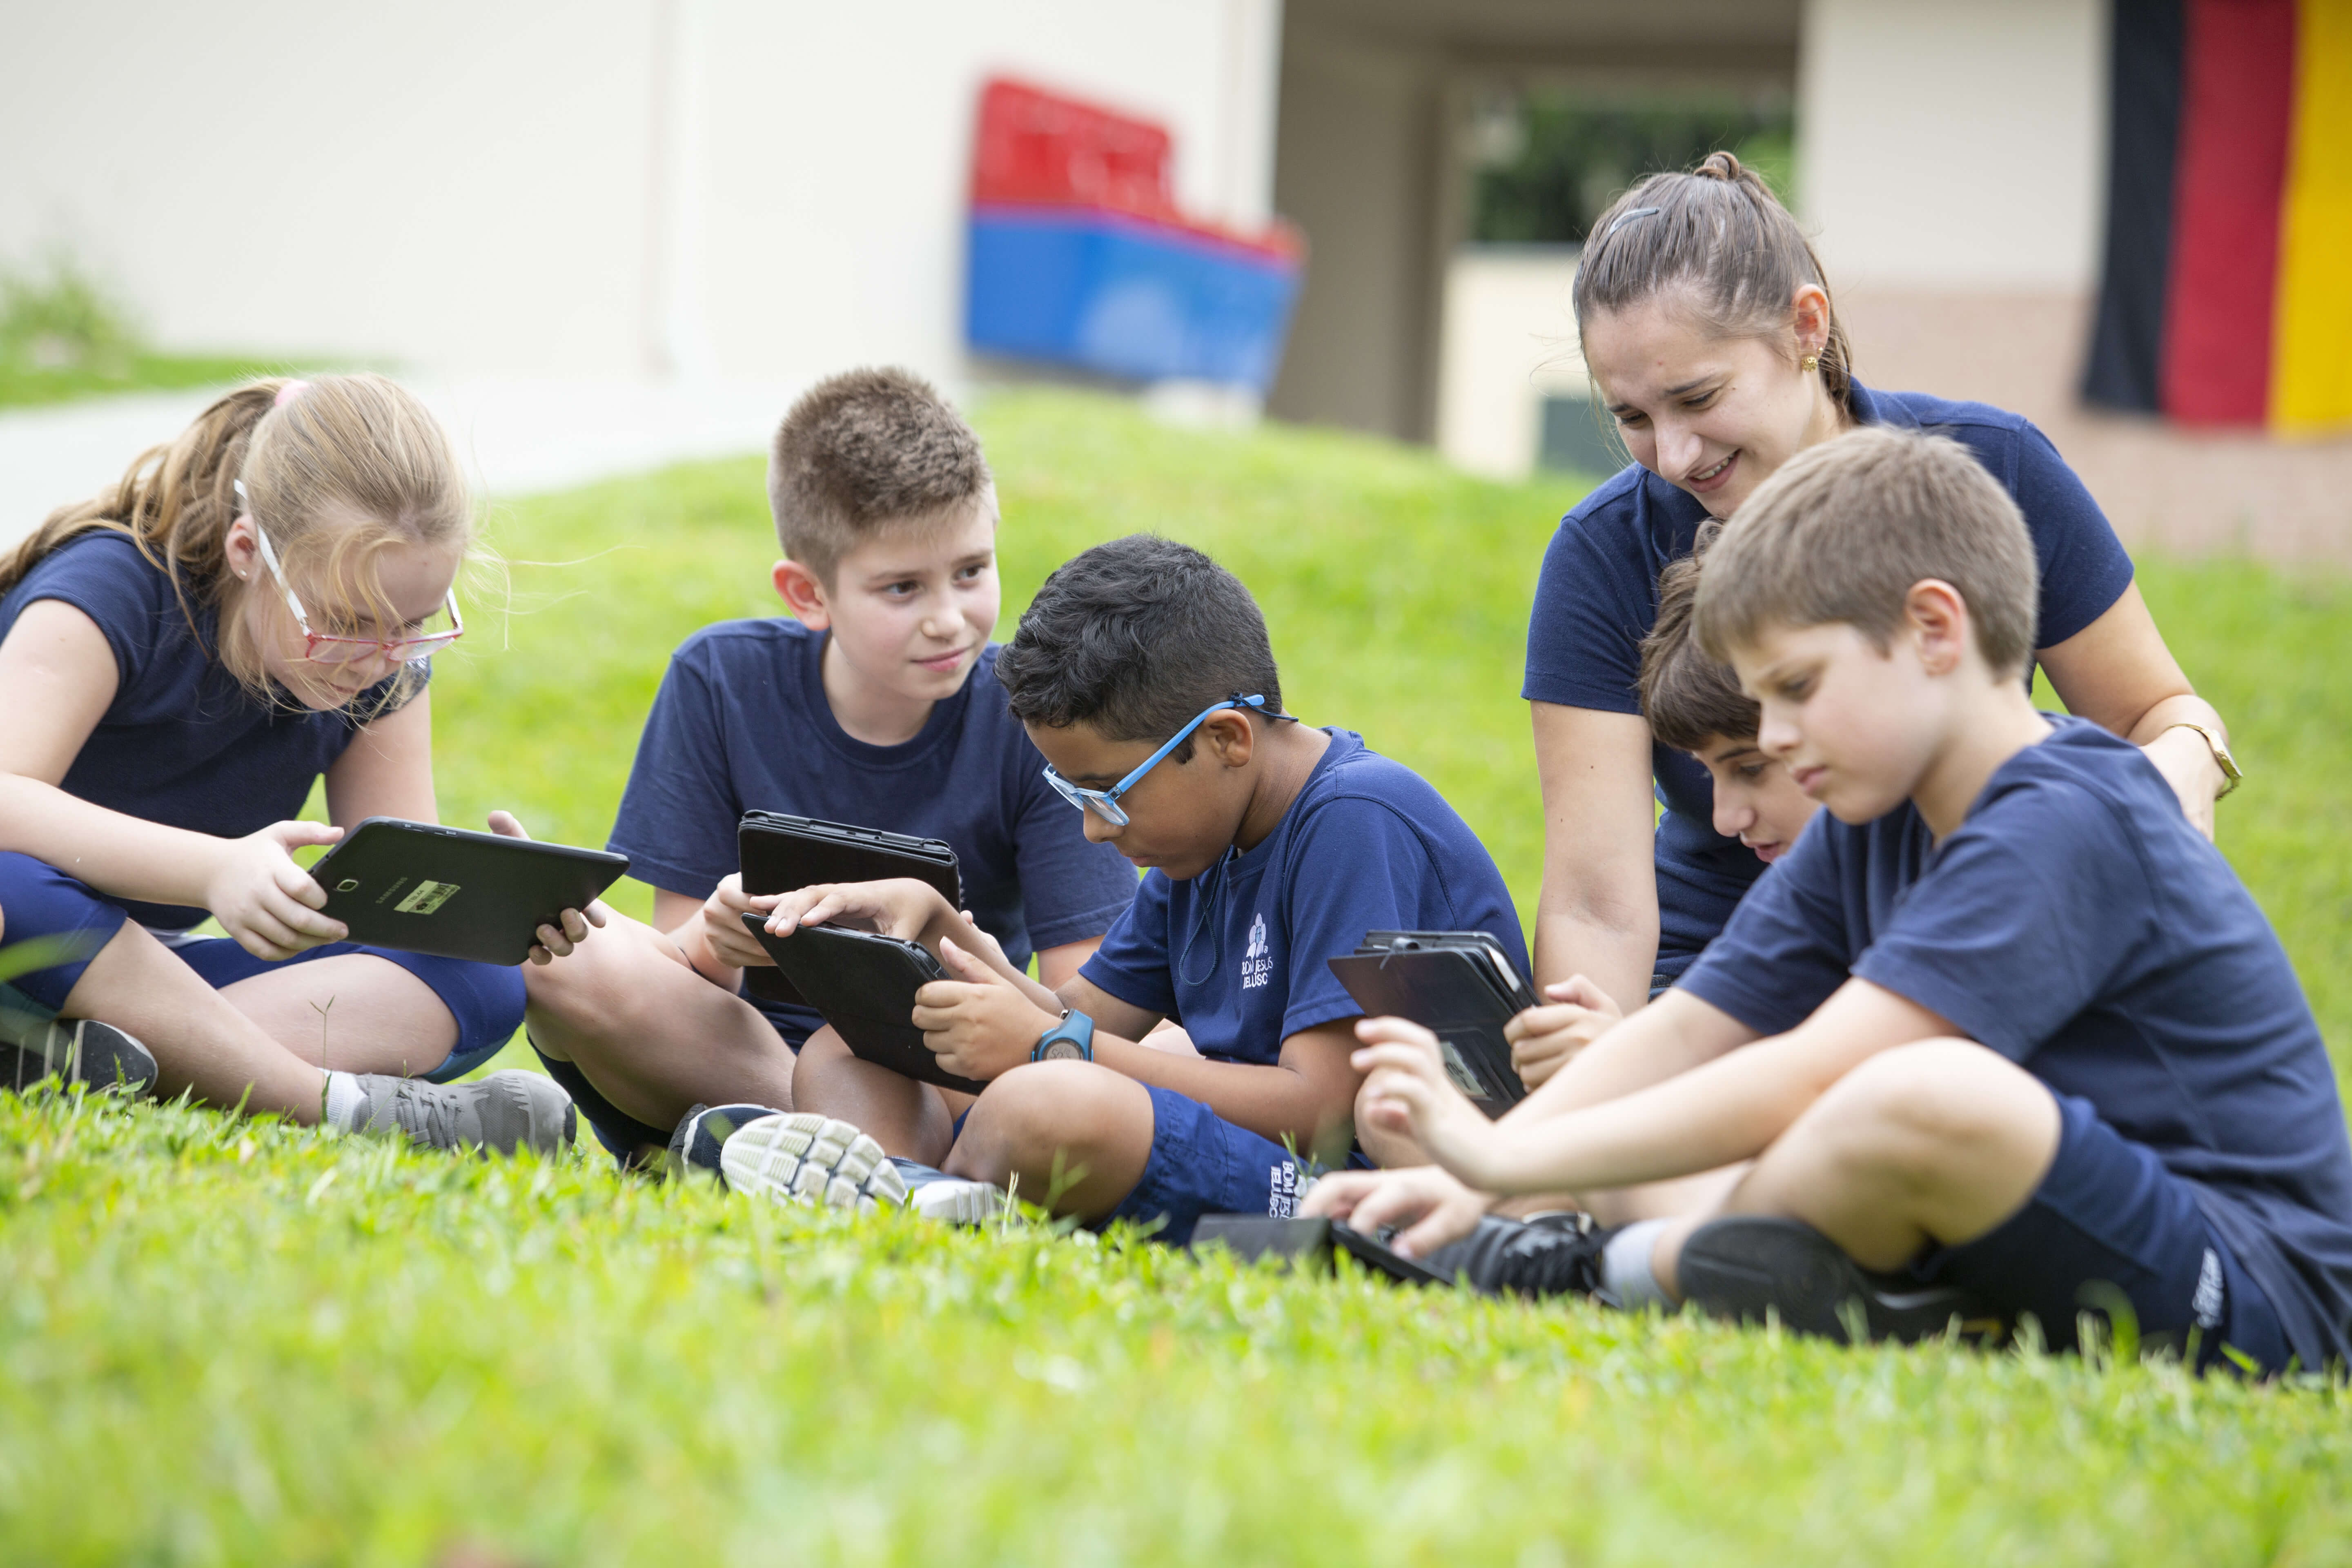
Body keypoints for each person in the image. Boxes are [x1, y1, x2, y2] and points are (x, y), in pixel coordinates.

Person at [1309, 429, 2352, 1376]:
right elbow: (1687, 1033)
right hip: (2006, 1231)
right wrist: (1475, 1180)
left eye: (1797, 689)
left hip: (2255, 1291)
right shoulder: (1868, 819)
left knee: (1922, 1095)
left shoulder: (2067, 813)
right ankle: (1755, 1274)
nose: (1781, 733)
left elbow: (1817, 1074)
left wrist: (1503, 1158)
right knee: (1656, 1117)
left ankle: (1604, 1272)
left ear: (1935, 630)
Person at [1521, 152, 2240, 1039]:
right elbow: (1598, 907)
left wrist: (2167, 783)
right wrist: (1593, 1085)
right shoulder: (1603, 555)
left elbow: (2156, 718)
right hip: (1721, 978)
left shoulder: (1994, 469)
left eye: (1697, 396)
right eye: (1631, 417)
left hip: (1969, 946)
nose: (1672, 456)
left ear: (1805, 325)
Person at [742, 534, 1530, 1243]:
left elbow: (1320, 1114)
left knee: (1048, 1106)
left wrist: (1055, 1047)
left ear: (1226, 739)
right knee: (860, 1043)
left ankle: (922, 1196)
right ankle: (907, 1194)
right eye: (1075, 797)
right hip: (1233, 1145)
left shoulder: (1354, 821)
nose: (1094, 829)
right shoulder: (1201, 844)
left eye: (1109, 793)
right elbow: (1073, 1017)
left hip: (1355, 1188)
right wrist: (946, 944)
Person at [511, 368, 1138, 1171]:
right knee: (563, 967)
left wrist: (950, 948)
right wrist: (716, 937)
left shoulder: (1036, 715)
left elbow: (1080, 1013)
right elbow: (682, 969)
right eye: (902, 588)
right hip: (743, 1052)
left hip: (938, 1070)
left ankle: (792, 1153)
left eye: (972, 572)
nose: (950, 617)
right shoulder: (720, 680)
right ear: (808, 593)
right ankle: (828, 1151)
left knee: (1070, 1073)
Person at [0, 375, 572, 1154]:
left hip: (142, 984)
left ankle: (75, 1061)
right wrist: (214, 871)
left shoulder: (384, 668)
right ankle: (328, 1104)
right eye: (344, 622)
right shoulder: (110, 590)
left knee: (479, 978)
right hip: (26, 932)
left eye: (413, 625)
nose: (379, 659)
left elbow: (389, 901)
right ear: (247, 552)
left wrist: (486, 902)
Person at [1508, 532, 1831, 1095]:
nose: (1724, 820)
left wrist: (1622, 1072)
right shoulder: (1804, 889)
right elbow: (1697, 1034)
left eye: (1750, 768)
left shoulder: (1992, 842)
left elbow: (1850, 1075)